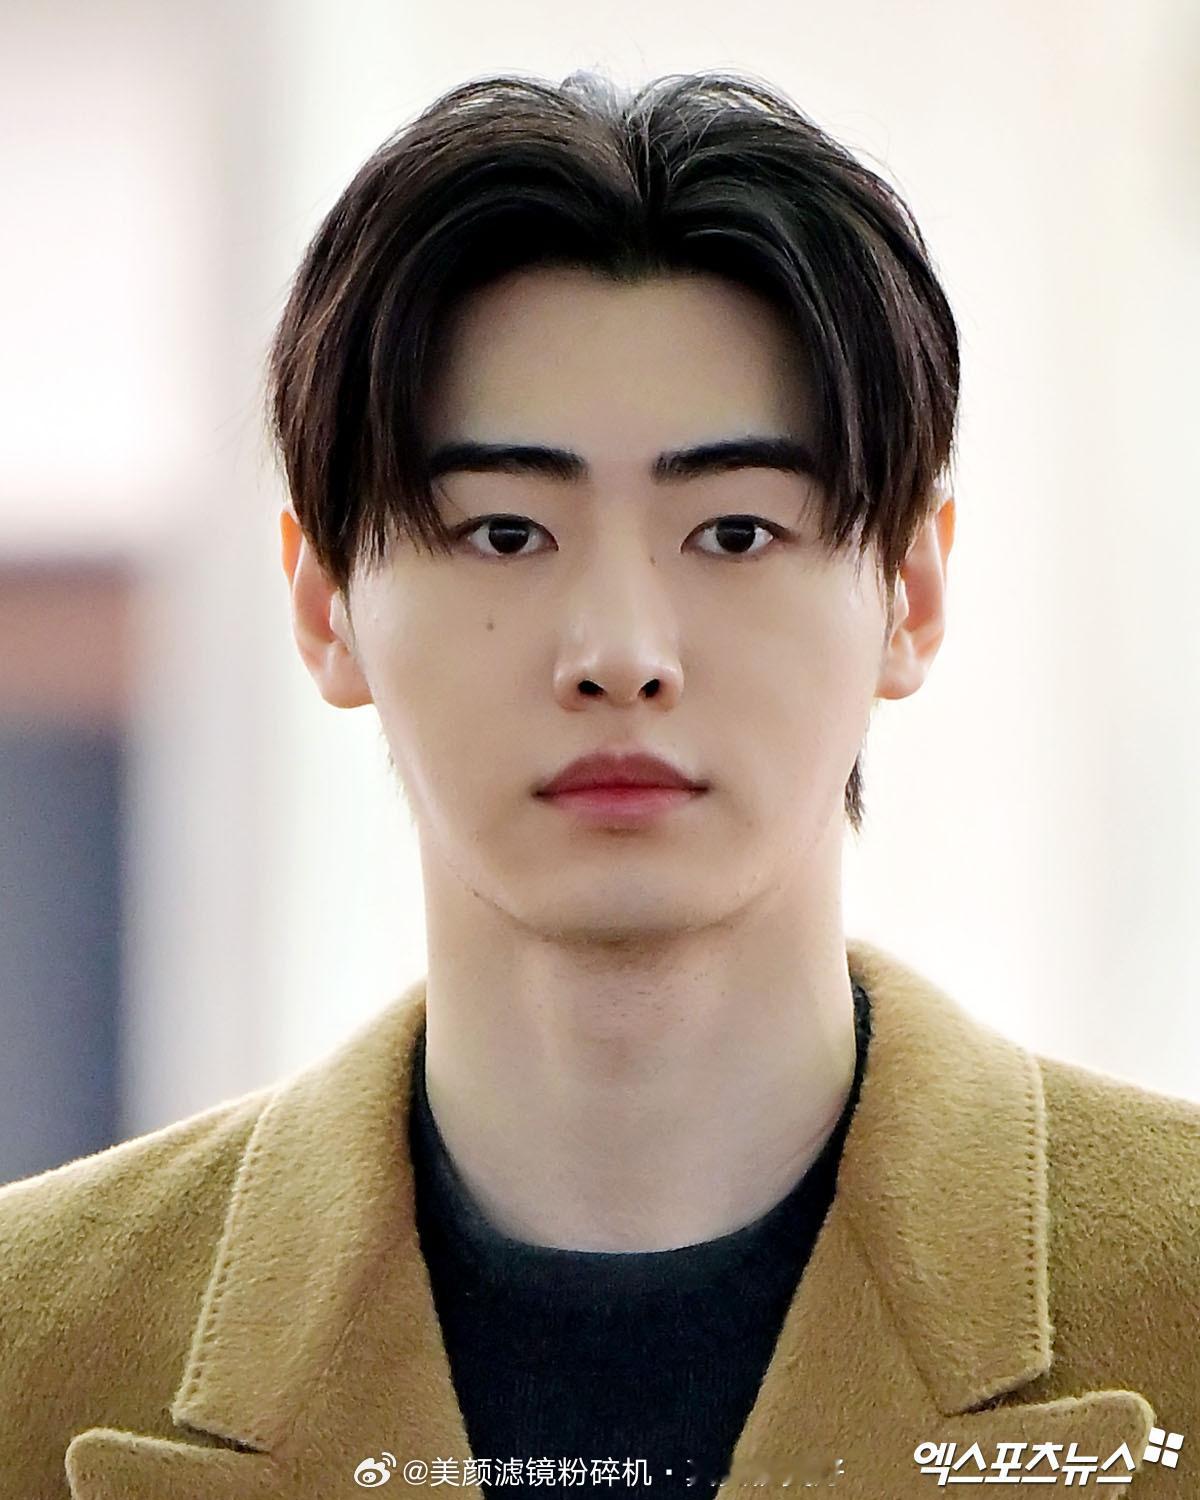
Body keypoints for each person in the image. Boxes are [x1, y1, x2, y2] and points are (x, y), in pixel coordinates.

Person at [1, 68, 1196, 1500]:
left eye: (736, 532)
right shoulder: (32, 1340)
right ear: (324, 604)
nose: (621, 653)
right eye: (506, 532)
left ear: (912, 593)